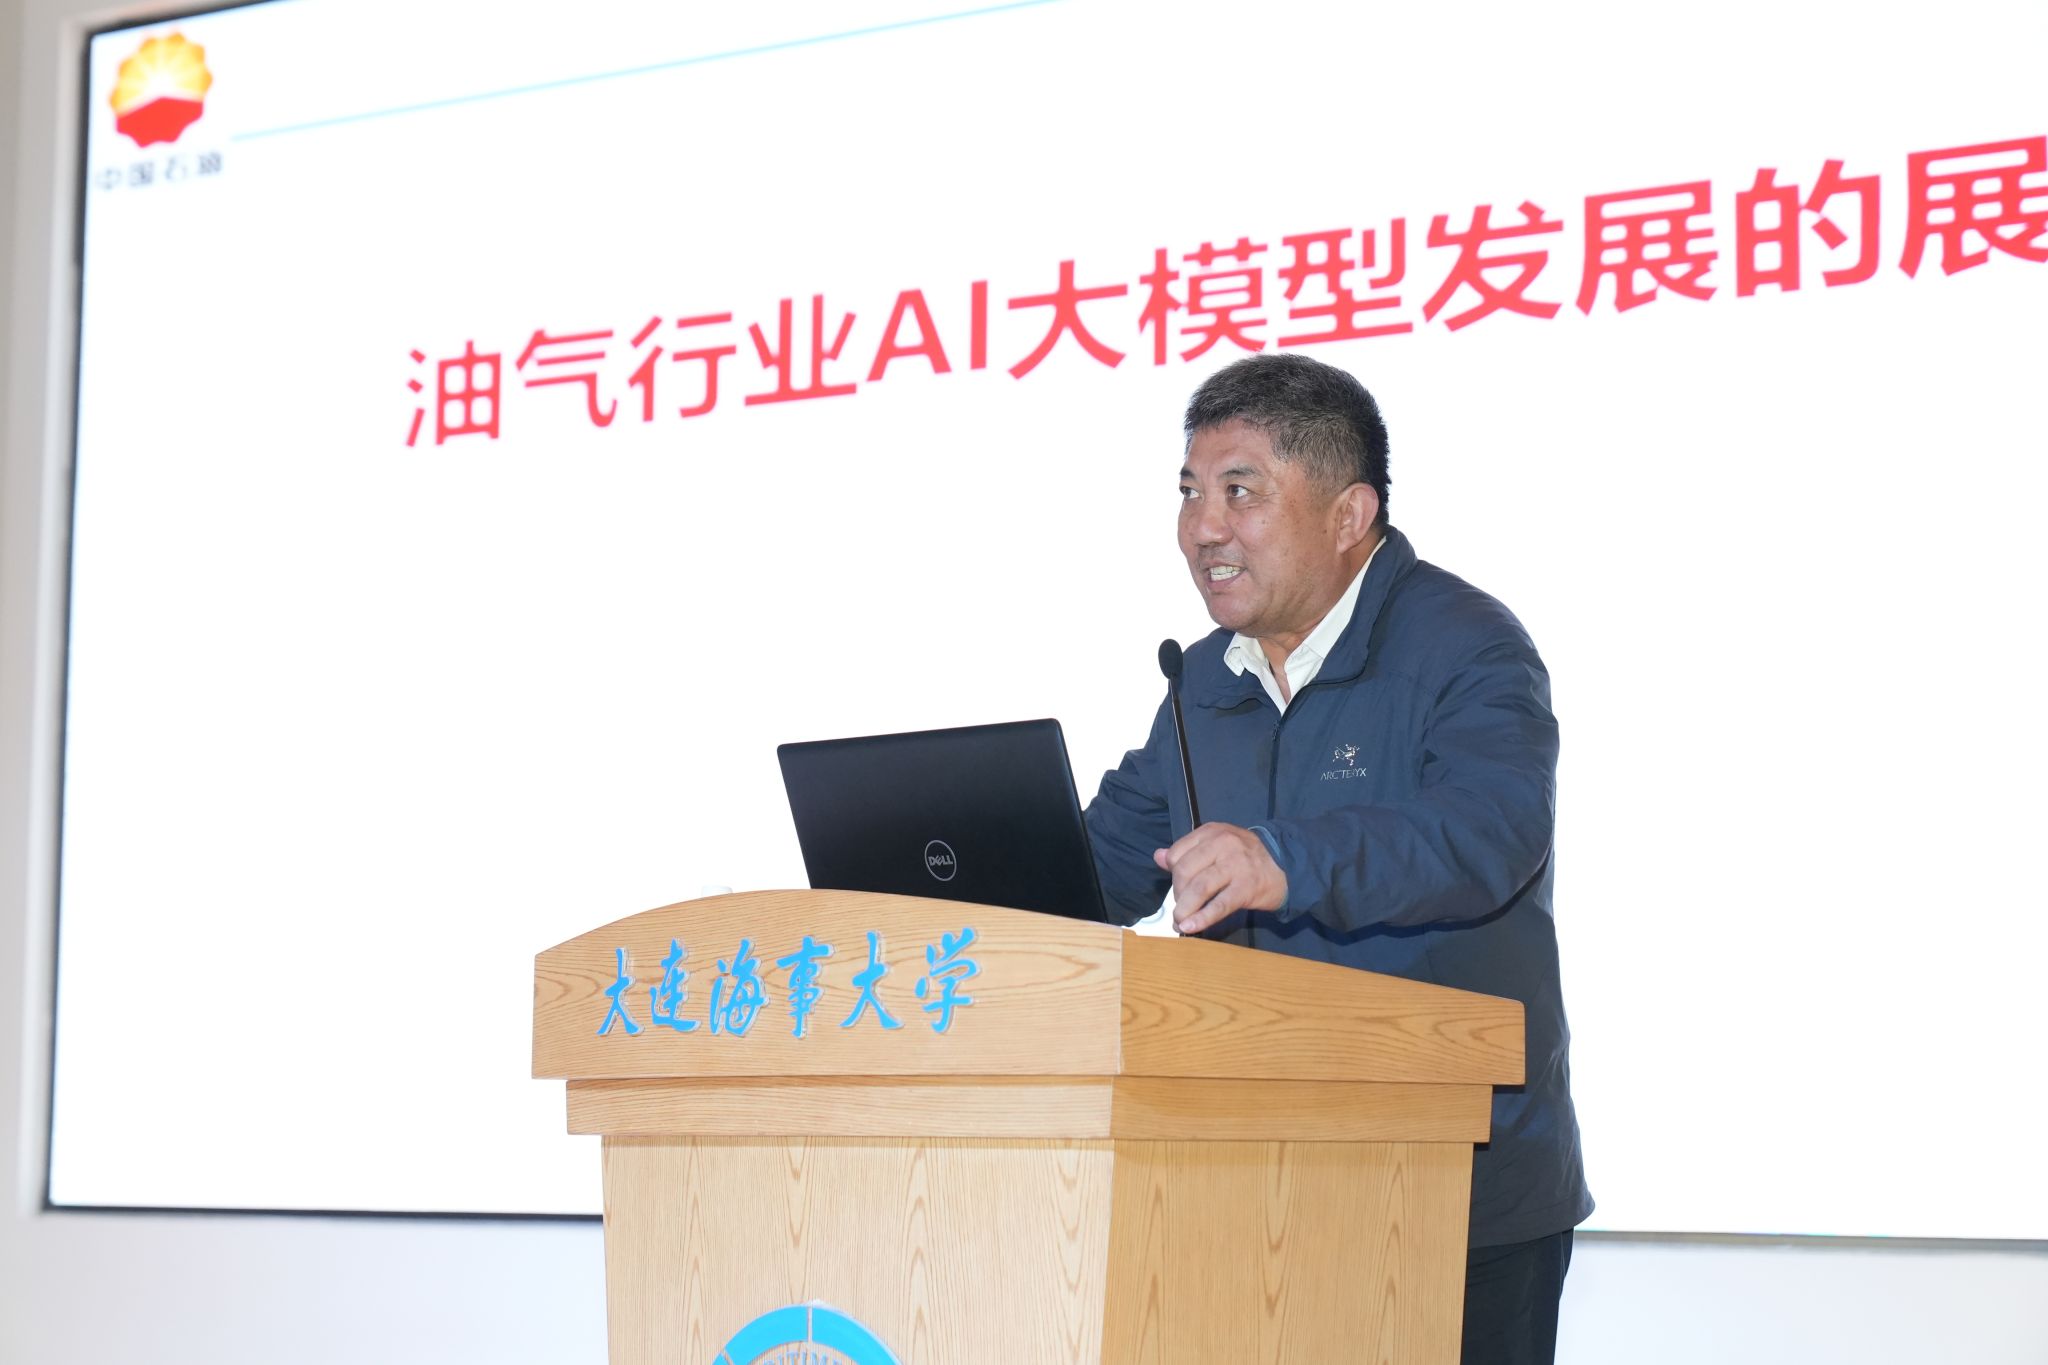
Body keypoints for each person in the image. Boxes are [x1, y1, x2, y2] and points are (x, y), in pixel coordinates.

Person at [1084, 353, 1592, 1365]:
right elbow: (1104, 865)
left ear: (1349, 513)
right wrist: (948, 902)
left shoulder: (1465, 647)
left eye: (1240, 492)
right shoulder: (1203, 682)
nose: (1202, 528)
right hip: (1247, 1181)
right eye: (1189, 492)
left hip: (1456, 1190)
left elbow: (1487, 834)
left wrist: (1282, 859)